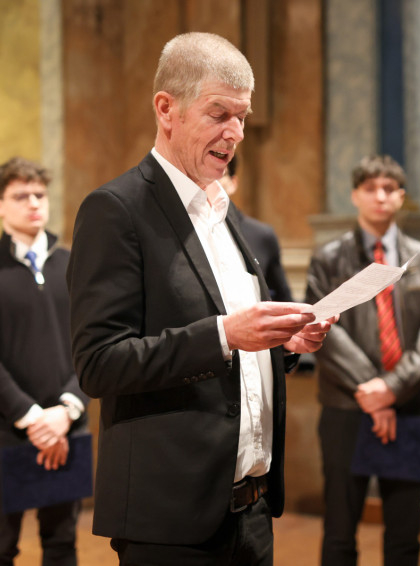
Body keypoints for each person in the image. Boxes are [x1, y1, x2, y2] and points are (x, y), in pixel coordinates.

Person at [66, 32, 335, 566]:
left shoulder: (224, 214)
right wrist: (224, 335)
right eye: (219, 114)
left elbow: (240, 350)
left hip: (252, 510)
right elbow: (98, 364)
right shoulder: (116, 210)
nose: (235, 133)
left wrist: (284, 343)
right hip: (172, 519)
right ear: (167, 109)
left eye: (242, 116)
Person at [305, 154, 420, 566]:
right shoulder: (328, 257)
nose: (380, 197)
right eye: (370, 188)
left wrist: (391, 388)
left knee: (404, 535)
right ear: (355, 195)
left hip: (410, 405)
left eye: (389, 189)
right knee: (339, 532)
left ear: (401, 197)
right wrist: (371, 389)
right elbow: (322, 327)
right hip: (346, 407)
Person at [0, 156, 89, 565]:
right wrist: (33, 419)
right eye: (20, 196)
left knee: (62, 543)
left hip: (68, 424)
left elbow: (93, 343)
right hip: (6, 428)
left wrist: (65, 411)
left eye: (39, 194)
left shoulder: (74, 264)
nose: (33, 203)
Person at [219, 153, 294, 302]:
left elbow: (283, 299)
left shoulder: (262, 235)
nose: (211, 182)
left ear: (233, 183)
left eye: (221, 174)